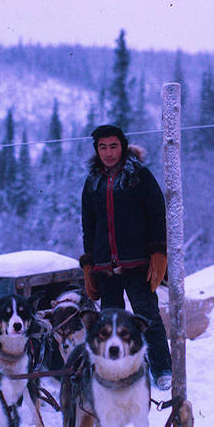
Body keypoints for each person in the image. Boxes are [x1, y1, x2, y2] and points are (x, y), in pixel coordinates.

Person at [79, 124, 172, 390]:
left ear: (123, 146)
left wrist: (158, 251)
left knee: (147, 316)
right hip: (104, 266)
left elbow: (157, 215)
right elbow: (89, 224)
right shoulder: (93, 181)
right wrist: (89, 264)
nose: (108, 153)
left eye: (113, 146)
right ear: (97, 149)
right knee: (108, 323)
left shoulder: (139, 176)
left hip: (138, 263)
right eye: (102, 147)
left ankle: (162, 368)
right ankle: (113, 371)